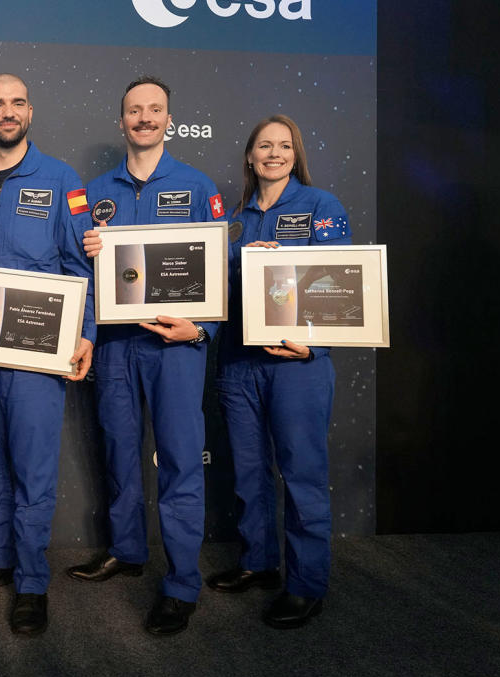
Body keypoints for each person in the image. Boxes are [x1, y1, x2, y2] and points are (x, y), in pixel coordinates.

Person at [72, 76, 225, 636]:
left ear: (168, 119)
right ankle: (127, 549)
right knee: (118, 451)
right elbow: (77, 276)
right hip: (114, 346)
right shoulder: (91, 193)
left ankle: (182, 582)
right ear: (121, 122)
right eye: (134, 110)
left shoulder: (197, 184)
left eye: (154, 110)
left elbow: (217, 268)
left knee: (181, 460)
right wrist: (88, 253)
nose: (144, 118)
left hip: (175, 345)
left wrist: (202, 327)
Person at [0, 73, 95, 636]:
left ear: (29, 111)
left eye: (16, 103)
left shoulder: (62, 181)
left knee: (33, 473)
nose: (6, 112)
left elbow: (81, 268)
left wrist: (87, 333)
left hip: (38, 356)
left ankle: (32, 580)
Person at [209, 114, 351, 629]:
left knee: (302, 477)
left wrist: (316, 346)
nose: (274, 153)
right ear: (249, 156)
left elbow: (341, 287)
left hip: (296, 364)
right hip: (239, 363)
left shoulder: (320, 206)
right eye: (264, 146)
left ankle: (306, 584)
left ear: (296, 154)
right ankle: (258, 561)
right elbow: (209, 284)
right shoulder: (234, 219)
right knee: (248, 473)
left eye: (284, 145)